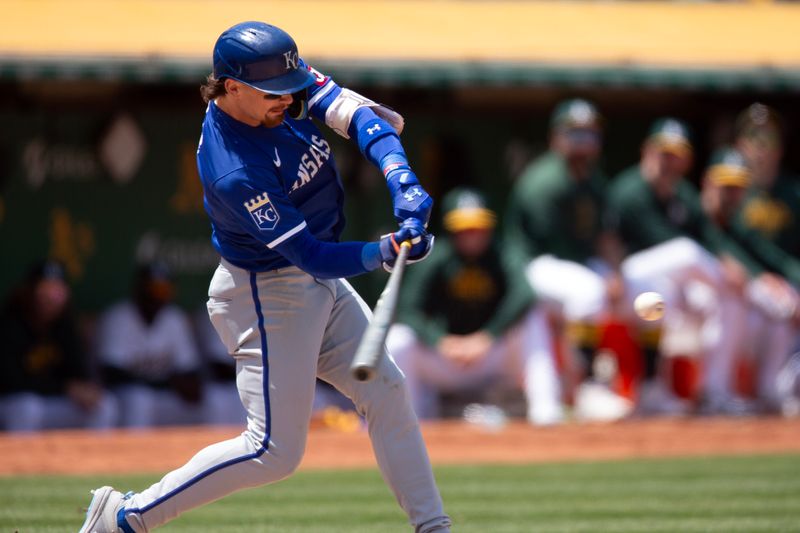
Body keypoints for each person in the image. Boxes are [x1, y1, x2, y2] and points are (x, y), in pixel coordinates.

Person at [79, 21, 449, 533]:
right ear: (232, 87)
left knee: (386, 389)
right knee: (273, 451)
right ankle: (124, 515)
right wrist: (384, 251)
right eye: (273, 93)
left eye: (289, 87)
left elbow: (360, 117)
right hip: (268, 294)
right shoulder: (232, 166)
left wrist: (399, 177)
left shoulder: (275, 81)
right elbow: (311, 255)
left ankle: (433, 527)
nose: (287, 98)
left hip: (315, 283)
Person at [607, 119, 755, 414]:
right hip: (630, 275)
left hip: (670, 284)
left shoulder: (683, 194)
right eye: (664, 152)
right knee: (687, 252)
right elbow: (656, 240)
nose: (669, 161)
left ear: (686, 159)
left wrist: (726, 261)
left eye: (676, 154)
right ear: (648, 151)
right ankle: (757, 293)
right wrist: (727, 269)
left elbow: (710, 237)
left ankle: (713, 391)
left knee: (726, 299)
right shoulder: (629, 188)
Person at [388, 188, 564, 425]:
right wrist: (439, 340)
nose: (472, 234)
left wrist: (488, 336)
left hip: (491, 355)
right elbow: (407, 309)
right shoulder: (438, 258)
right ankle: (407, 422)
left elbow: (525, 294)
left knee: (533, 319)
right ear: (452, 228)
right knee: (399, 339)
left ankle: (547, 415)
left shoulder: (501, 253)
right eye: (465, 228)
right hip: (447, 357)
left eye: (478, 227)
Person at [700, 147, 800, 412]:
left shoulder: (737, 224)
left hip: (727, 307)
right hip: (688, 302)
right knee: (744, 303)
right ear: (709, 182)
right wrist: (759, 280)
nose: (731, 193)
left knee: (781, 309)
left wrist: (768, 279)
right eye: (725, 185)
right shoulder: (695, 212)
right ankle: (714, 393)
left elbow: (769, 258)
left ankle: (770, 392)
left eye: (737, 186)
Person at [0, 260, 116, 431]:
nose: (51, 299)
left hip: (51, 401)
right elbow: (11, 383)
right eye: (44, 291)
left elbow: (78, 373)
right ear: (29, 292)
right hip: (12, 404)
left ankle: (92, 458)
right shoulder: (9, 325)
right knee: (28, 407)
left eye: (57, 293)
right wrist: (65, 387)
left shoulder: (65, 325)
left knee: (103, 405)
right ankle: (20, 458)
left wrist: (85, 389)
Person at [95, 262, 205, 428]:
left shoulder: (175, 319)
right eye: (152, 289)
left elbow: (188, 369)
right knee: (139, 399)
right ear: (139, 289)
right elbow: (111, 373)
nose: (157, 296)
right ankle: (133, 452)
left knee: (212, 400)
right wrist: (166, 382)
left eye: (163, 290)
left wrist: (183, 384)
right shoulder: (118, 317)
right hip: (122, 396)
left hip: (163, 395)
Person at [735, 103, 800, 259]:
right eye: (753, 135)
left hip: (788, 279)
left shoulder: (796, 194)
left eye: (769, 137)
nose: (761, 145)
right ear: (740, 145)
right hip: (740, 277)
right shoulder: (728, 187)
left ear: (780, 149)